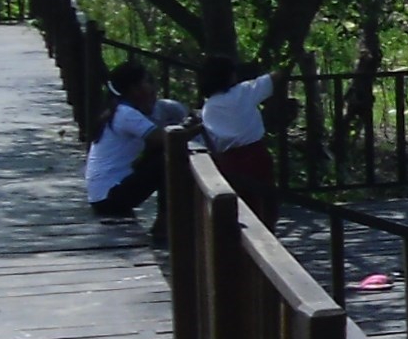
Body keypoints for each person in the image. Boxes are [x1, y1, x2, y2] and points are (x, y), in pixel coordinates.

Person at [85, 64, 188, 219]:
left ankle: (165, 220)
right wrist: (197, 126)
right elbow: (167, 139)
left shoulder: (117, 110)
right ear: (134, 88)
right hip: (110, 198)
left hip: (102, 196)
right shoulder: (126, 114)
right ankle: (165, 221)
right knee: (167, 159)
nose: (152, 87)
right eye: (147, 82)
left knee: (159, 153)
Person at [195, 56, 278, 221]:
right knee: (265, 203)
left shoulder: (208, 108)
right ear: (231, 75)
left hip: (229, 160)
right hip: (257, 154)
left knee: (240, 208)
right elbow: (273, 79)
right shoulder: (244, 91)